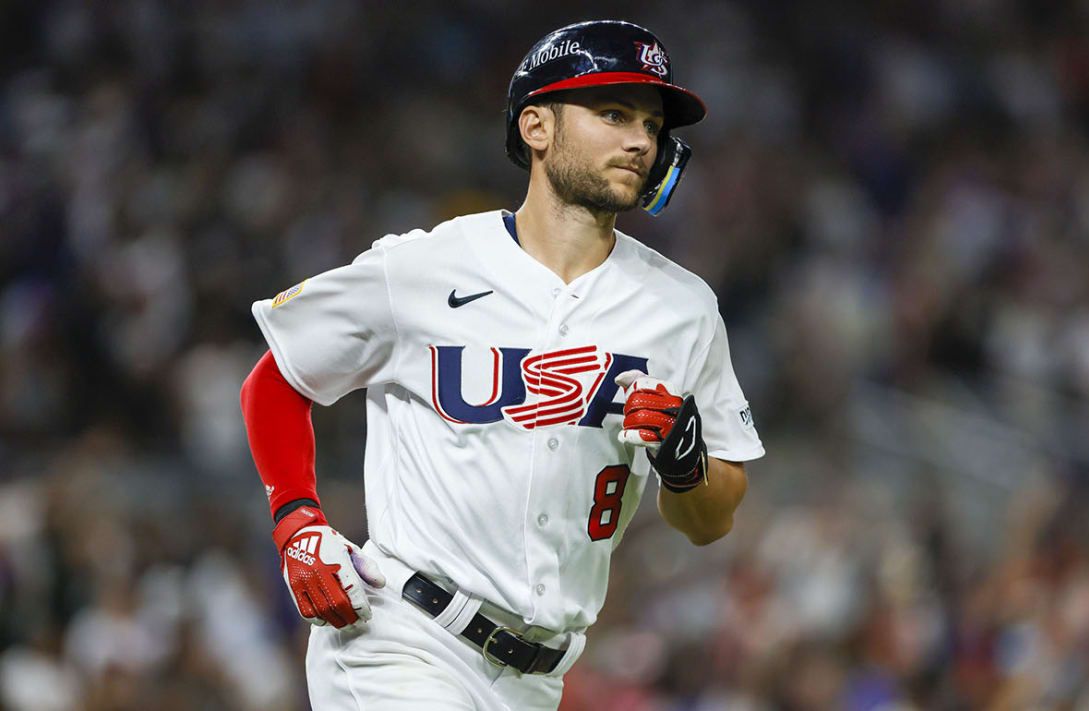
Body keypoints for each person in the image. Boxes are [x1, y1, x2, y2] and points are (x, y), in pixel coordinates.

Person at [240, 19, 764, 710]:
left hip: (537, 678)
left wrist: (686, 462)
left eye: (651, 122)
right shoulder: (425, 266)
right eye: (612, 113)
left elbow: (710, 519)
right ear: (537, 127)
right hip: (401, 639)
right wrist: (297, 518)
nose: (641, 139)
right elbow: (278, 376)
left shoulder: (683, 308)